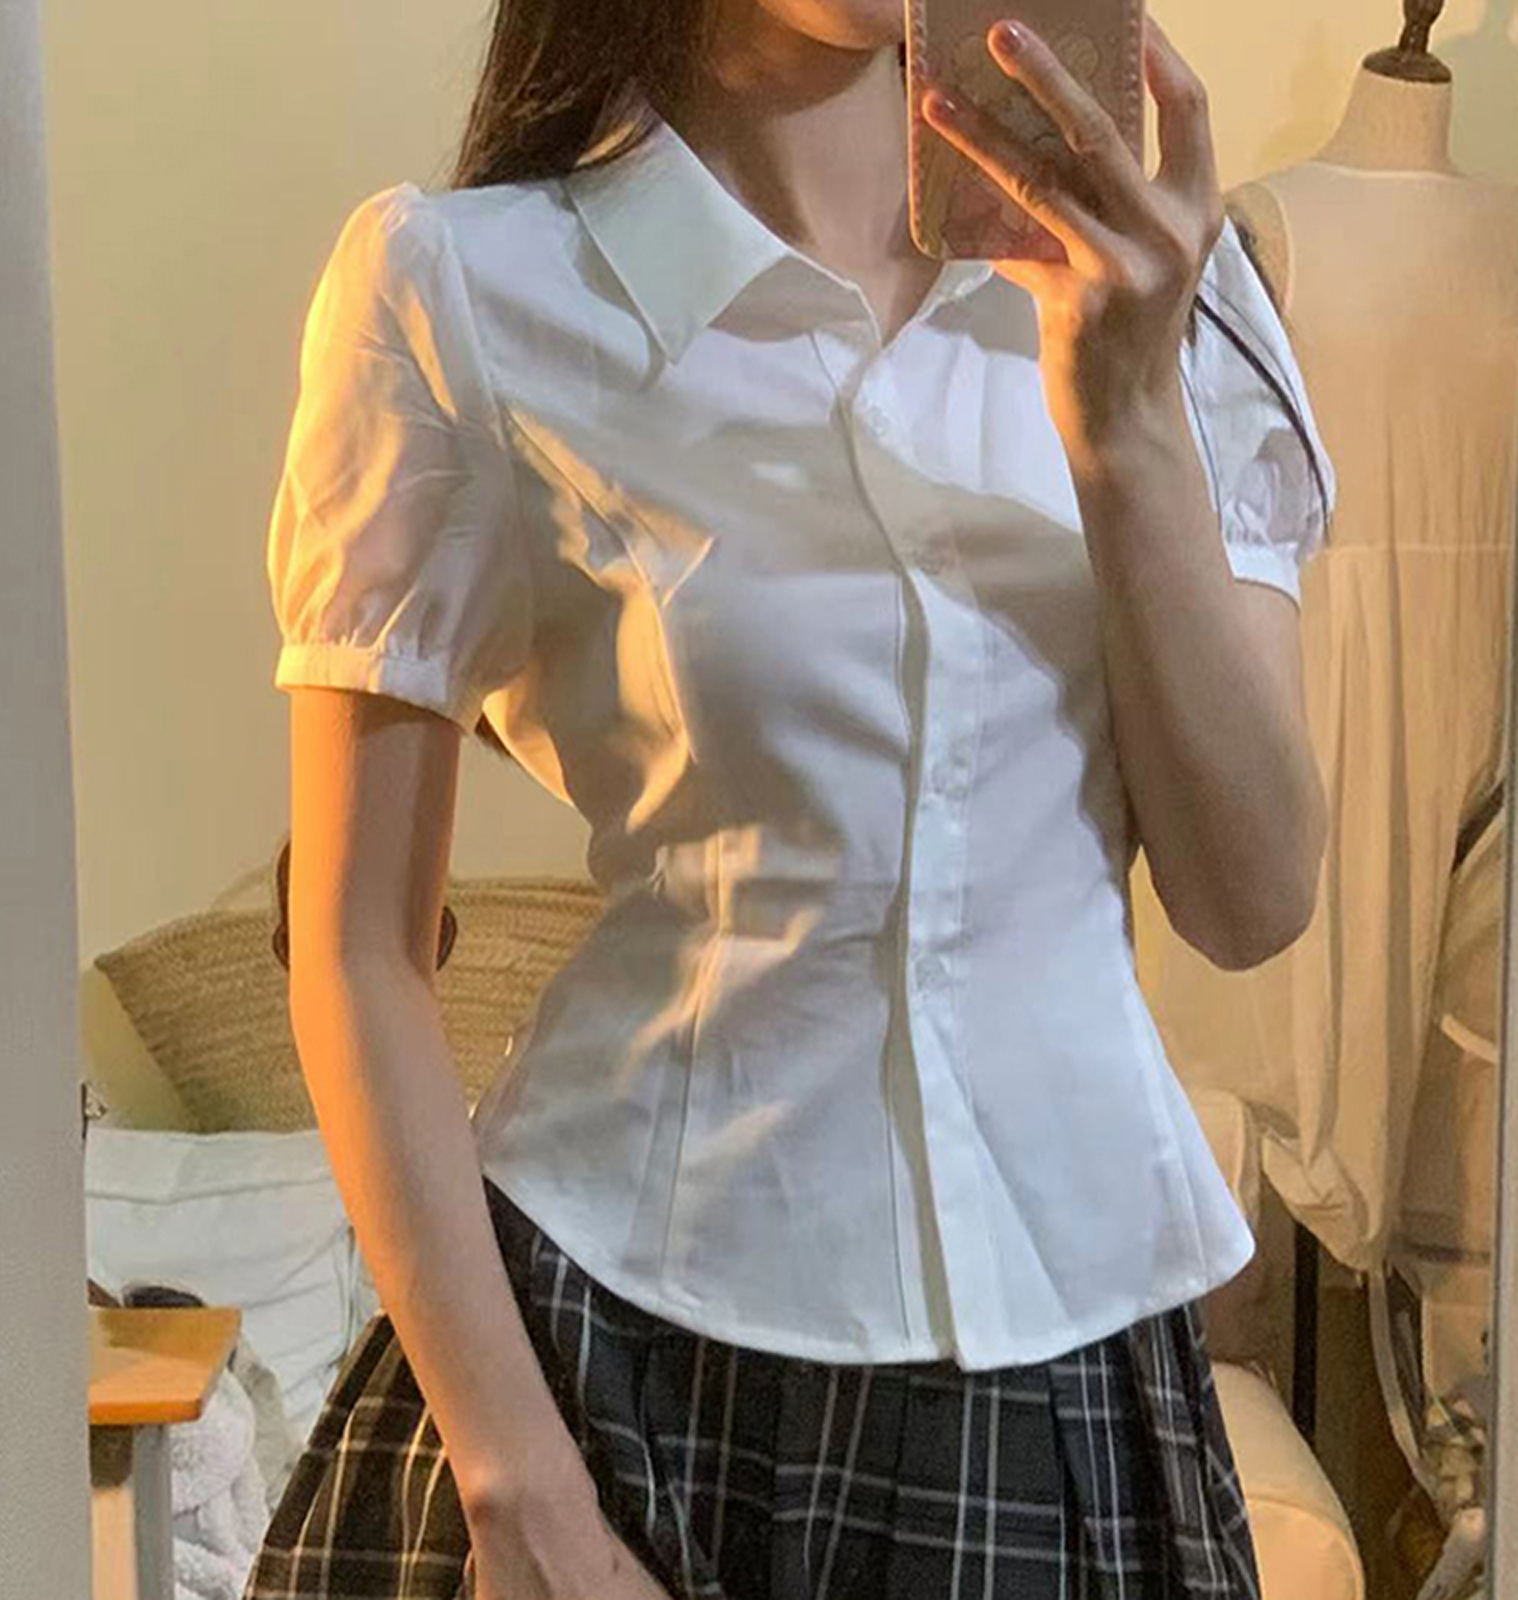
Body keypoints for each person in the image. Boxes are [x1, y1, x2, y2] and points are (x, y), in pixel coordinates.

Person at [246, 2, 1337, 1596]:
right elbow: (355, 951)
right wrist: (520, 1493)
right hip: (613, 1374)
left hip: (1065, 1382)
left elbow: (1252, 899)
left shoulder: (1160, 278)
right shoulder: (464, 287)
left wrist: (1123, 417)